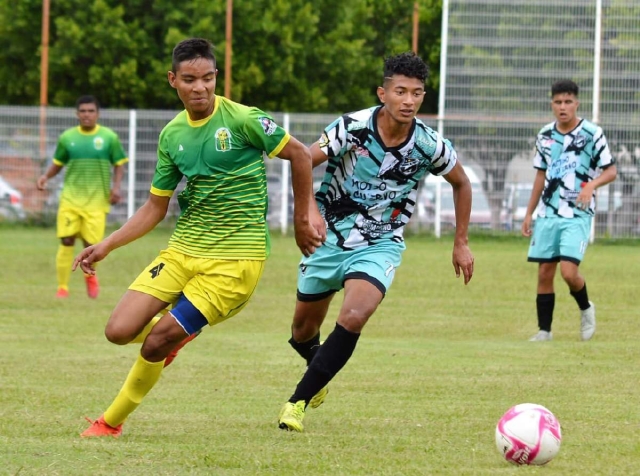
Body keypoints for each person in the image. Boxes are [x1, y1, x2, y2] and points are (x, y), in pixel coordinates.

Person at [73, 38, 325, 438]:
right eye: (189, 80)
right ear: (173, 80)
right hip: (183, 251)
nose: (200, 88)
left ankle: (110, 423)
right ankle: (174, 332)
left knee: (154, 343)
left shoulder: (244, 119)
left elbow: (299, 153)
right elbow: (154, 208)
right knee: (117, 331)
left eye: (208, 78)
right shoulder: (172, 134)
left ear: (215, 78)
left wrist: (302, 216)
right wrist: (106, 245)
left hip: (234, 260)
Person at [277, 52, 475, 432]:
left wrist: (461, 241)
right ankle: (317, 369)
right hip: (328, 239)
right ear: (382, 93)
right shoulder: (351, 128)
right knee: (302, 333)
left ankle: (296, 403)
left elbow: (461, 183)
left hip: (380, 242)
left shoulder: (428, 144)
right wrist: (308, 213)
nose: (409, 101)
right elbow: (303, 158)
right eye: (400, 91)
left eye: (417, 93)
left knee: (354, 315)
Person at [522, 79, 617, 342]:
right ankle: (544, 331)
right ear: (552, 104)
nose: (563, 107)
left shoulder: (591, 133)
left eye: (568, 102)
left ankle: (586, 308)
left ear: (577, 103)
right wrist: (529, 212)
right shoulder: (545, 136)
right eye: (558, 102)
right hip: (548, 213)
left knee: (569, 272)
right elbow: (540, 176)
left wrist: (591, 186)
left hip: (577, 213)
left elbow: (611, 171)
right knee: (544, 273)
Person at [36, 95, 128, 299]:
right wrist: (45, 177)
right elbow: (58, 163)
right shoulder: (67, 138)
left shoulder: (108, 137)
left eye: (91, 111)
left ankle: (90, 278)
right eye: (83, 111)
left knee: (90, 246)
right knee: (66, 240)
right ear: (77, 114)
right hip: (70, 199)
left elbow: (119, 164)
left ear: (98, 114)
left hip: (96, 202)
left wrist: (117, 188)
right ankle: (62, 288)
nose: (87, 115)